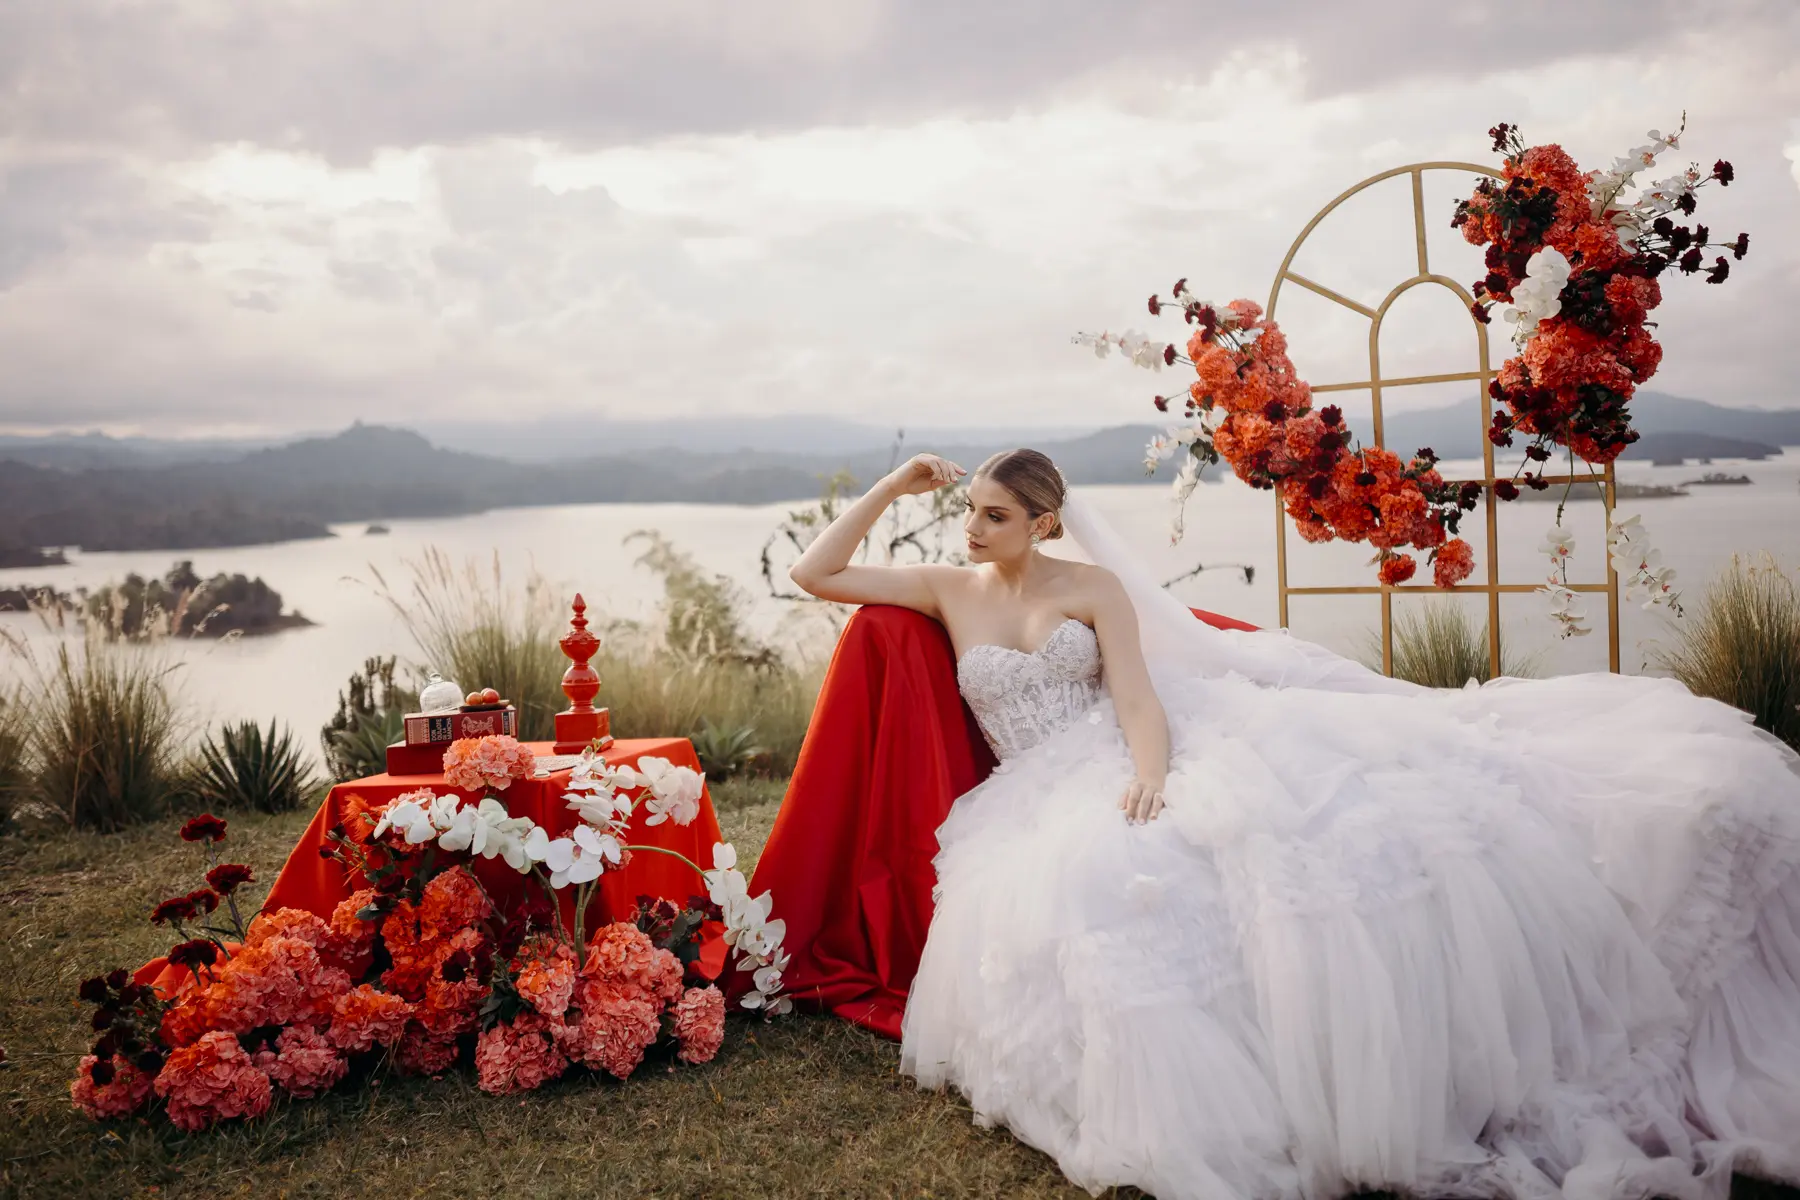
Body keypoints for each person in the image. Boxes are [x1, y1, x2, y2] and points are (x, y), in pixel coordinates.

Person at [785, 448, 1800, 1200]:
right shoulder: (947, 587)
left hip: (1121, 755)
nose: (973, 531)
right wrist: (889, 490)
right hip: (1030, 791)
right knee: (1087, 895)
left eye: (994, 517)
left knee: (1226, 851)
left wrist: (1150, 777)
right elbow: (814, 574)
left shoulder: (1090, 589)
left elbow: (1138, 696)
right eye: (970, 513)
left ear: (1044, 524)